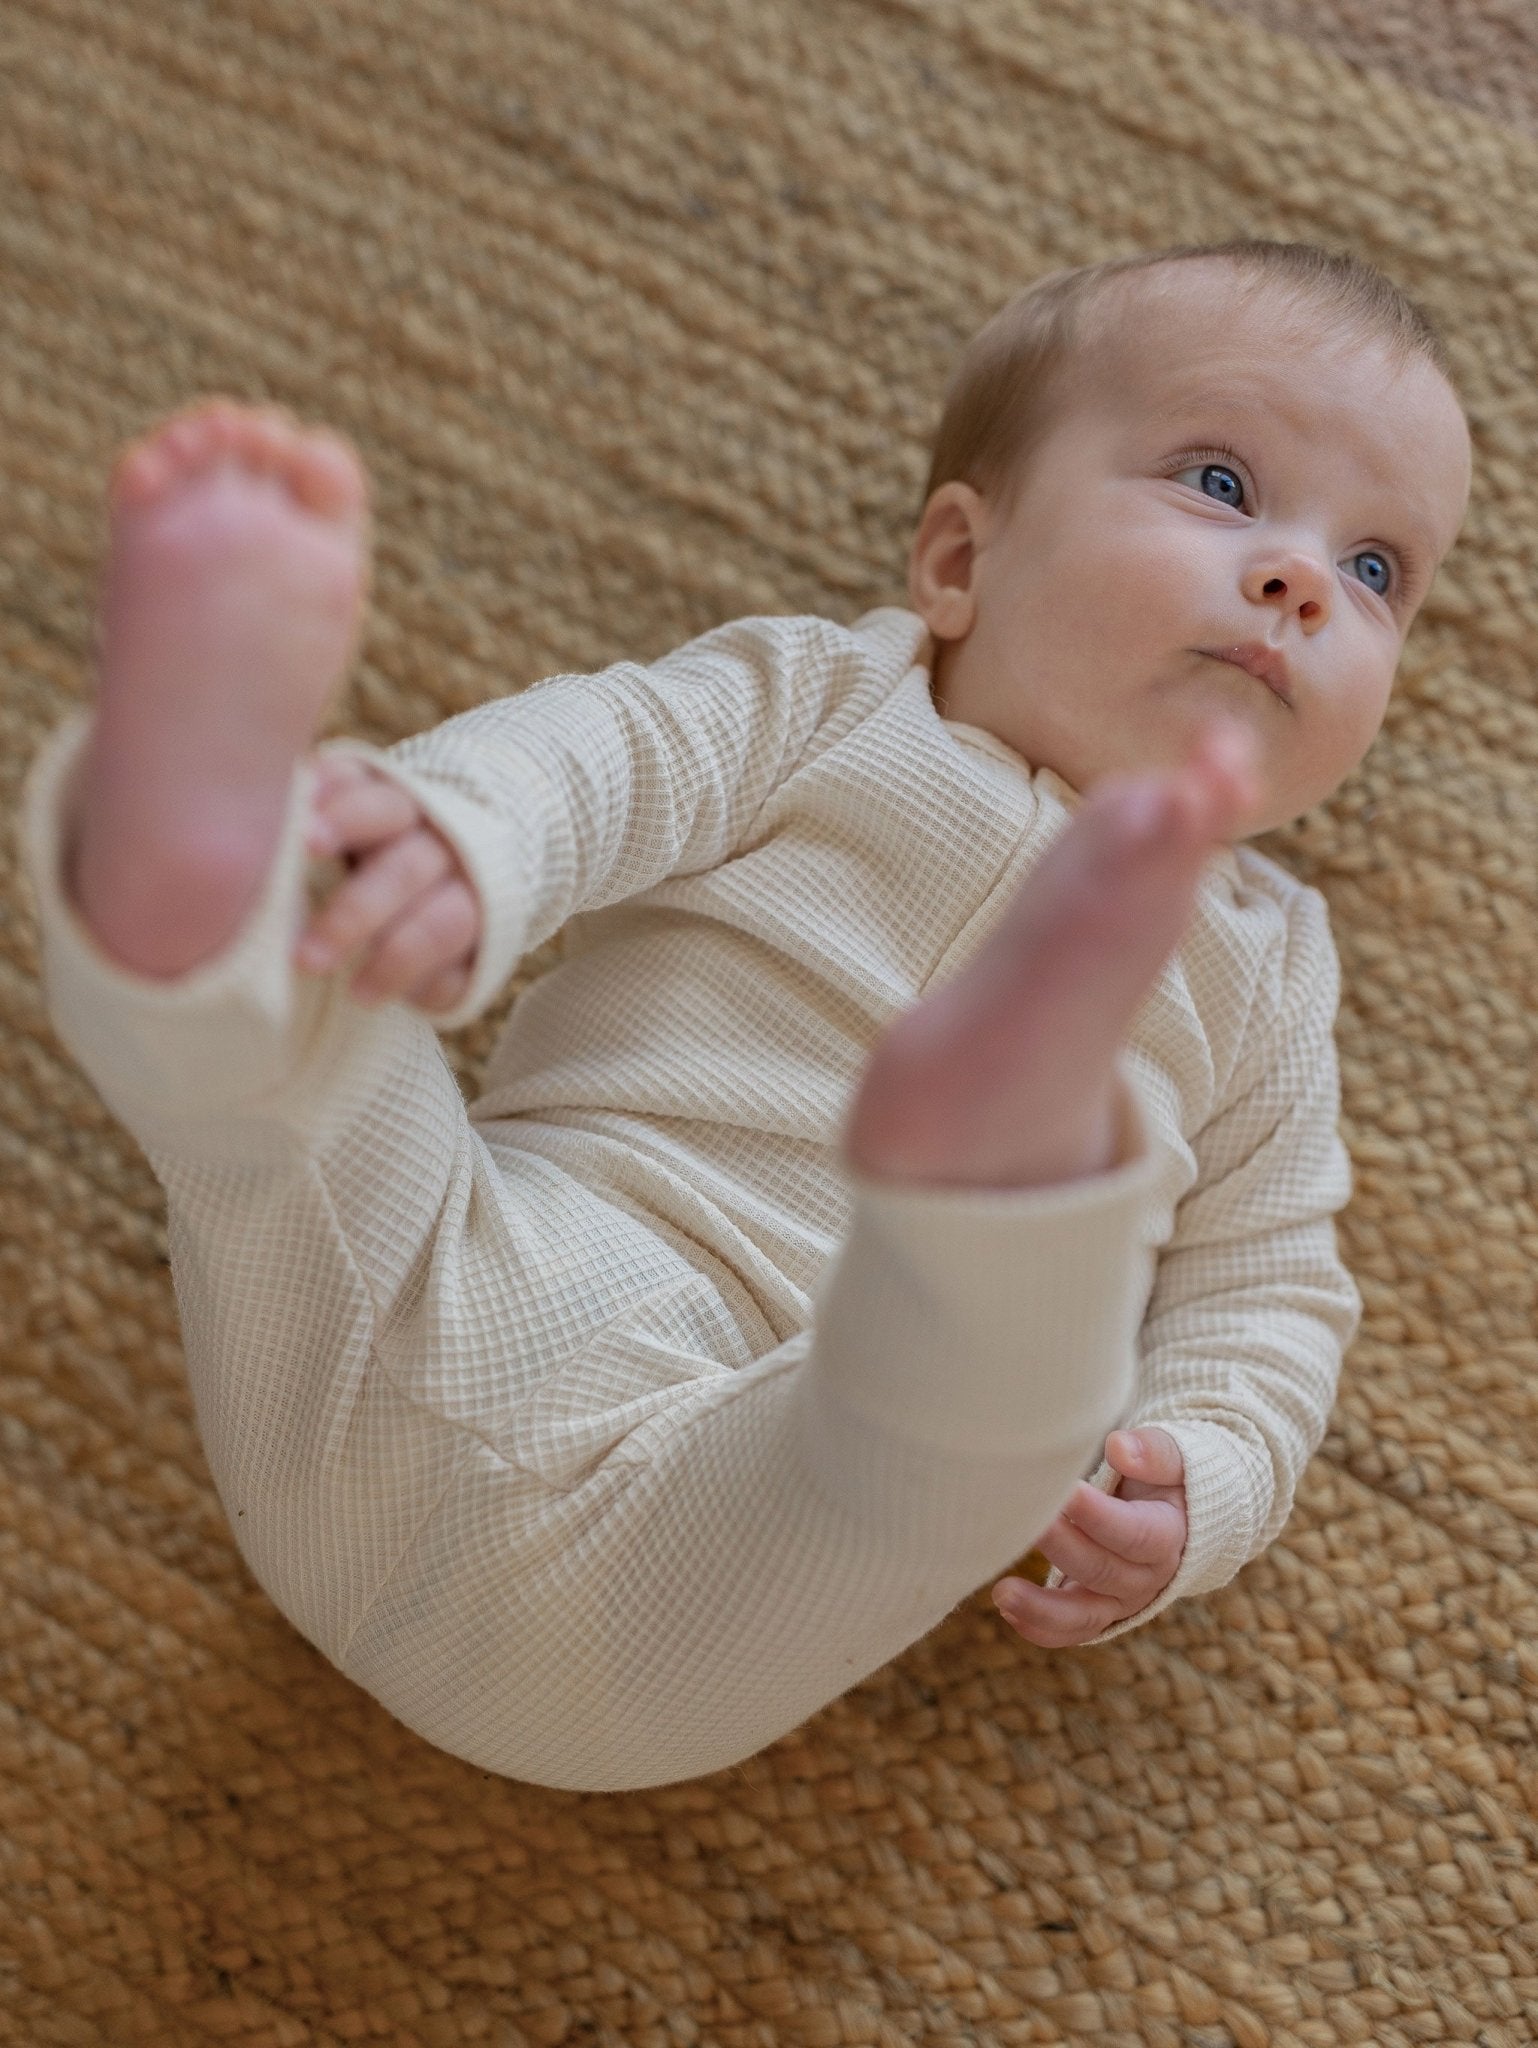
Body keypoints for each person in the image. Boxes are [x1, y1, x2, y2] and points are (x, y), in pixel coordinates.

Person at [17, 238, 1472, 1791]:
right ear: (958, 567)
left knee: (968, 1429)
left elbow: (1267, 1296)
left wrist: (1207, 1482)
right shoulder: (821, 700)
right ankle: (199, 860)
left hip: (735, 1510)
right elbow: (602, 758)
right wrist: (459, 841)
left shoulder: (1262, 973)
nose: (1299, 577)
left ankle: (997, 1167)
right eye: (1219, 484)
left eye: (1376, 570)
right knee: (303, 1056)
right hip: (472, 1259)